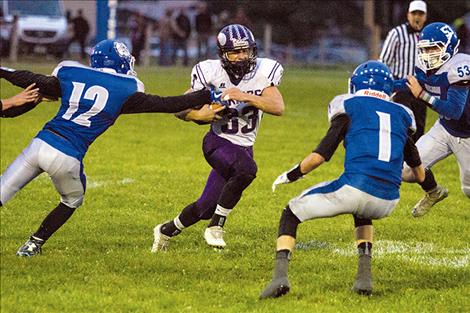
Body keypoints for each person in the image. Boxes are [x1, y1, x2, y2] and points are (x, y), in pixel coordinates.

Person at [0, 39, 222, 257]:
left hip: (39, 143)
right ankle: (33, 244)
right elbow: (167, 104)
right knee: (71, 200)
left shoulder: (71, 73)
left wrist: (3, 71)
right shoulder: (125, 89)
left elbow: (28, 78)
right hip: (67, 156)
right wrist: (206, 93)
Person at [259, 61, 425, 299]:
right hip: (389, 200)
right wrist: (431, 188)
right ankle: (364, 278)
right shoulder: (401, 115)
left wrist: (292, 174)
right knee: (362, 210)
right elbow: (419, 173)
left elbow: (320, 156)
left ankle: (279, 277)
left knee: (291, 212)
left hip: (354, 188)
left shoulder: (349, 105)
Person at [152, 24, 284, 252]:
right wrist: (197, 115)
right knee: (246, 170)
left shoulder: (264, 72)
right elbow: (179, 108)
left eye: (246, 51)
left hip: (244, 147)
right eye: (235, 52)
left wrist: (245, 96)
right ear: (223, 54)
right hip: (218, 142)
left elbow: (278, 107)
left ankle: (165, 231)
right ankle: (216, 226)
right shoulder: (211, 73)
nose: (242, 57)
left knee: (205, 207)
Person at [400, 22, 470, 217]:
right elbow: (410, 84)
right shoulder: (424, 65)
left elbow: (455, 110)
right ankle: (434, 192)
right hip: (444, 128)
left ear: (448, 46)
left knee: (468, 190)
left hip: (467, 134)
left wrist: (422, 94)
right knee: (407, 170)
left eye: (434, 48)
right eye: (425, 49)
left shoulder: (460, 67)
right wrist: (384, 86)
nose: (429, 53)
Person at [379, 0, 428, 142]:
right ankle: (399, 158)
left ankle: (416, 162)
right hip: (401, 87)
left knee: (419, 127)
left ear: (425, 16)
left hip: (420, 88)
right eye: (414, 13)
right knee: (403, 124)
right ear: (408, 15)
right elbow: (384, 61)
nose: (417, 17)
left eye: (420, 14)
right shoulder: (397, 33)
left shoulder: (428, 35)